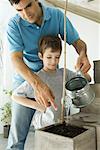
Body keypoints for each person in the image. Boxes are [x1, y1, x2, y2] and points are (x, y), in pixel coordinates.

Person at [6, 0, 91, 149]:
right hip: (26, 81)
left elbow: (78, 42)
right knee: (16, 139)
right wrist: (37, 84)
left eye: (28, 6)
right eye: (19, 10)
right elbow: (15, 59)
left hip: (51, 78)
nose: (25, 14)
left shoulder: (57, 16)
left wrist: (83, 54)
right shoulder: (14, 24)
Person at [11, 35, 91, 135]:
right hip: (44, 124)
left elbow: (87, 79)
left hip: (62, 122)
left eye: (57, 57)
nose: (53, 61)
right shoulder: (37, 78)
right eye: (49, 57)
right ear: (41, 56)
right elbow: (15, 96)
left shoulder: (64, 73)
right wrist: (40, 107)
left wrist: (81, 71)